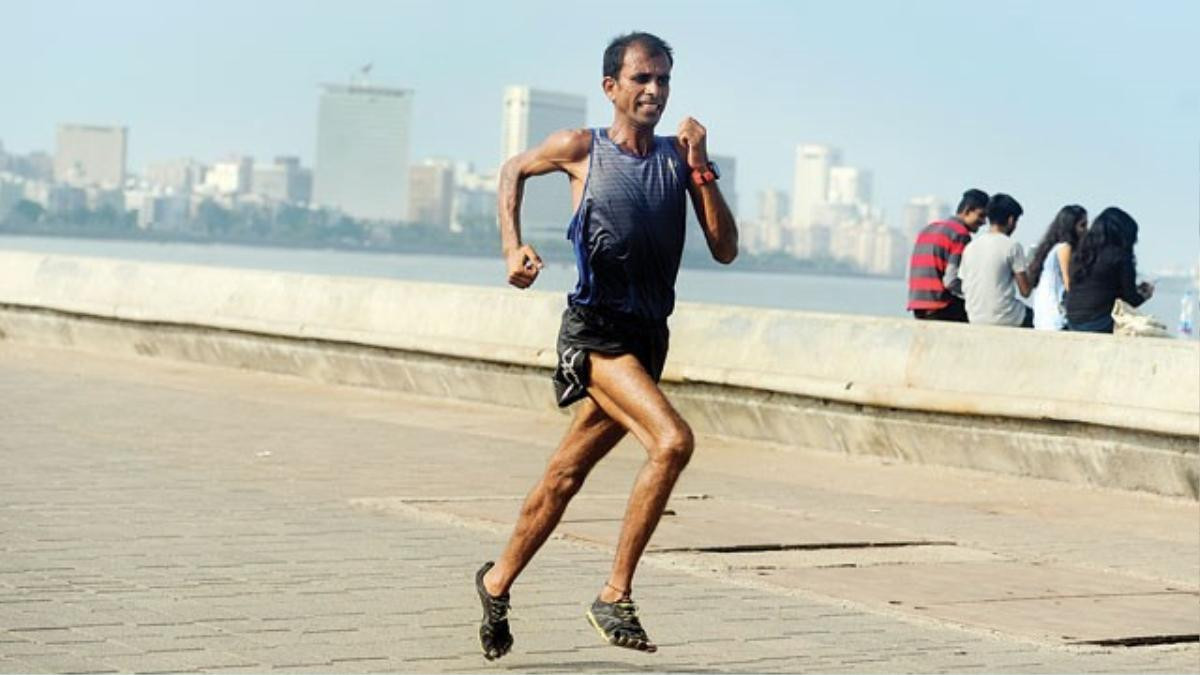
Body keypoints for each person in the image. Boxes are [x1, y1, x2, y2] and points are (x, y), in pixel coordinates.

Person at [475, 31, 738, 661]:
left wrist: (701, 166)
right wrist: (512, 247)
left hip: (648, 340)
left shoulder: (681, 158)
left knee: (565, 476)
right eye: (642, 79)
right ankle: (614, 595)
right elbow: (513, 169)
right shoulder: (580, 148)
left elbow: (725, 248)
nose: (654, 91)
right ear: (611, 88)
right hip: (594, 334)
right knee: (672, 441)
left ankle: (495, 583)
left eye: (664, 80)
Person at [1065, 207, 1153, 333]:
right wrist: (1144, 295)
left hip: (1073, 321)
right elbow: (1131, 299)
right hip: (1098, 323)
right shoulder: (1120, 256)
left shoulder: (1080, 254)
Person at [907, 188, 989, 321]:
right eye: (981, 215)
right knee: (985, 313)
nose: (984, 222)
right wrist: (976, 292)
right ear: (967, 211)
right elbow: (950, 281)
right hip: (939, 306)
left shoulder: (928, 229)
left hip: (917, 305)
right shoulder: (960, 234)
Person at [960, 193, 1033, 327]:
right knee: (1035, 317)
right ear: (1011, 220)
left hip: (974, 316)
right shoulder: (1012, 246)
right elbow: (1026, 291)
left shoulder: (970, 247)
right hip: (1006, 317)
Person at [1028, 205, 1088, 330]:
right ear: (1071, 227)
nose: (1086, 231)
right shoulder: (1065, 248)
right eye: (1082, 225)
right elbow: (1069, 285)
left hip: (1042, 319)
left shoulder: (1051, 249)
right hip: (1055, 319)